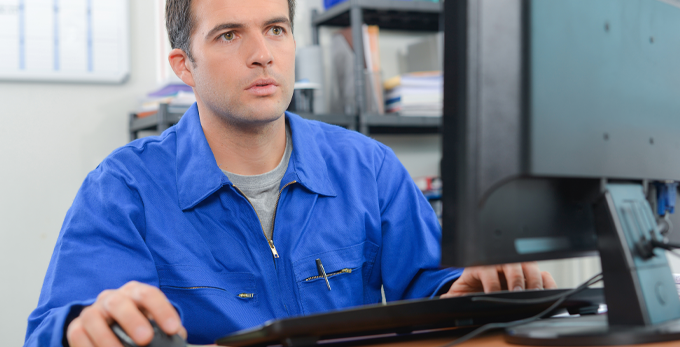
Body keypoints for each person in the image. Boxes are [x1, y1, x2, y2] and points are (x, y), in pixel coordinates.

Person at [24, 0, 556, 346]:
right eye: (229, 35)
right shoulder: (124, 188)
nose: (262, 55)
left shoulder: (367, 167)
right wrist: (80, 328)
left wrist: (467, 290)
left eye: (276, 30)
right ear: (185, 66)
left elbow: (434, 285)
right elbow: (52, 329)